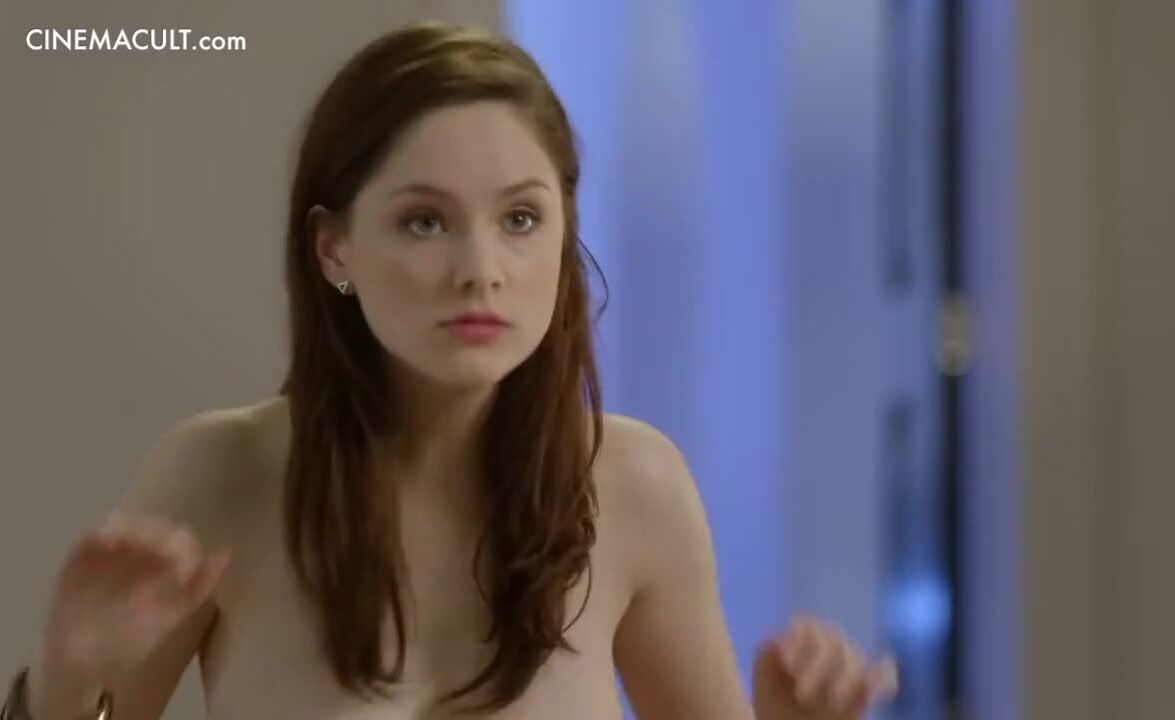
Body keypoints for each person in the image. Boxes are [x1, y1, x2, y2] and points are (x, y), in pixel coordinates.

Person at [5, 21, 898, 720]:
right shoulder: (219, 476)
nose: (481, 270)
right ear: (333, 249)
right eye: (425, 221)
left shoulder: (635, 486)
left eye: (520, 219)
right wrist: (64, 684)